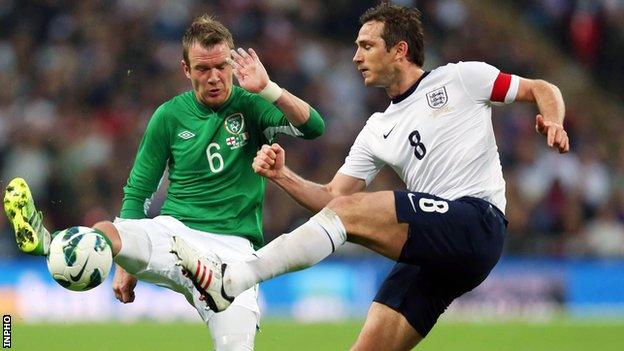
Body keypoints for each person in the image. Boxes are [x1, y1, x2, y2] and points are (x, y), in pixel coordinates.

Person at [170, 3, 569, 350]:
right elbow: (332, 199)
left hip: (476, 222)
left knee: (352, 211)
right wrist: (283, 176)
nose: (356, 57)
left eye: (366, 46)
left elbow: (542, 87)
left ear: (400, 50)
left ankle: (235, 278)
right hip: (436, 252)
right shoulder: (377, 128)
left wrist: (553, 121)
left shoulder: (461, 78)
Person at [3, 14, 325, 351]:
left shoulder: (254, 105)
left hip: (234, 255)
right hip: (174, 237)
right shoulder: (169, 116)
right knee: (107, 232)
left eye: (222, 66)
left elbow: (313, 127)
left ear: (232, 63)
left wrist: (269, 90)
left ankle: (57, 244)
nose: (214, 77)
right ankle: (50, 243)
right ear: (186, 70)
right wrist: (125, 262)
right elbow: (138, 193)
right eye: (203, 69)